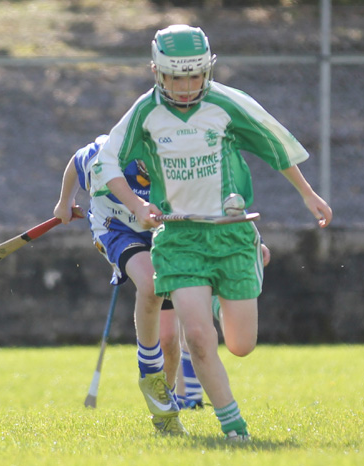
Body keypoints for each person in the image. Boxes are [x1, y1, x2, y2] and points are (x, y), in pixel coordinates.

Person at [90, 24, 333, 440]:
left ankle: (243, 273)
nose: (186, 87)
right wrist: (137, 206)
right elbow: (106, 164)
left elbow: (273, 144)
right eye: (176, 77)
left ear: (208, 71)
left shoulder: (226, 104)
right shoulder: (145, 113)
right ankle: (234, 428)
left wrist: (309, 194)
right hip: (179, 238)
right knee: (199, 339)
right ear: (157, 73)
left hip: (231, 234)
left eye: (195, 75)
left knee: (240, 345)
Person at [54, 134, 271, 433]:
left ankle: (165, 414)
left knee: (169, 341)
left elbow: (215, 199)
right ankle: (148, 372)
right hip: (116, 229)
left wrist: (248, 237)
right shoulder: (107, 152)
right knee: (149, 283)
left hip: (165, 234)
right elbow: (75, 163)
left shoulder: (182, 163)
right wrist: (65, 202)